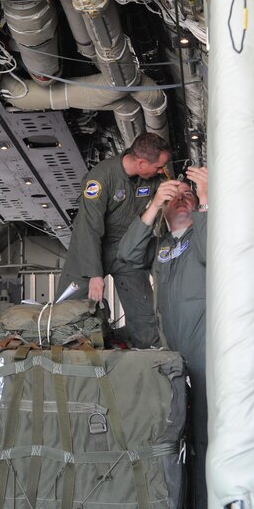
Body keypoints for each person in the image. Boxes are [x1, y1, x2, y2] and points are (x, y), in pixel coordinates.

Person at [117, 166, 209, 509]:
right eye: (176, 195)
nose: (182, 198)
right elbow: (126, 256)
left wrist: (207, 201)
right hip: (172, 358)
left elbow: (223, 251)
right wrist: (155, 205)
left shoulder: (203, 235)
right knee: (175, 444)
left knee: (206, 442)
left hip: (206, 351)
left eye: (187, 195)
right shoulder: (164, 246)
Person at [56, 133, 171, 348]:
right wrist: (94, 274)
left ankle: (151, 363)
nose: (161, 171)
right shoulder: (101, 179)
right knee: (67, 312)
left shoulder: (154, 179)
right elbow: (88, 229)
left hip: (127, 252)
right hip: (91, 250)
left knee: (144, 316)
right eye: (158, 167)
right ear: (142, 162)